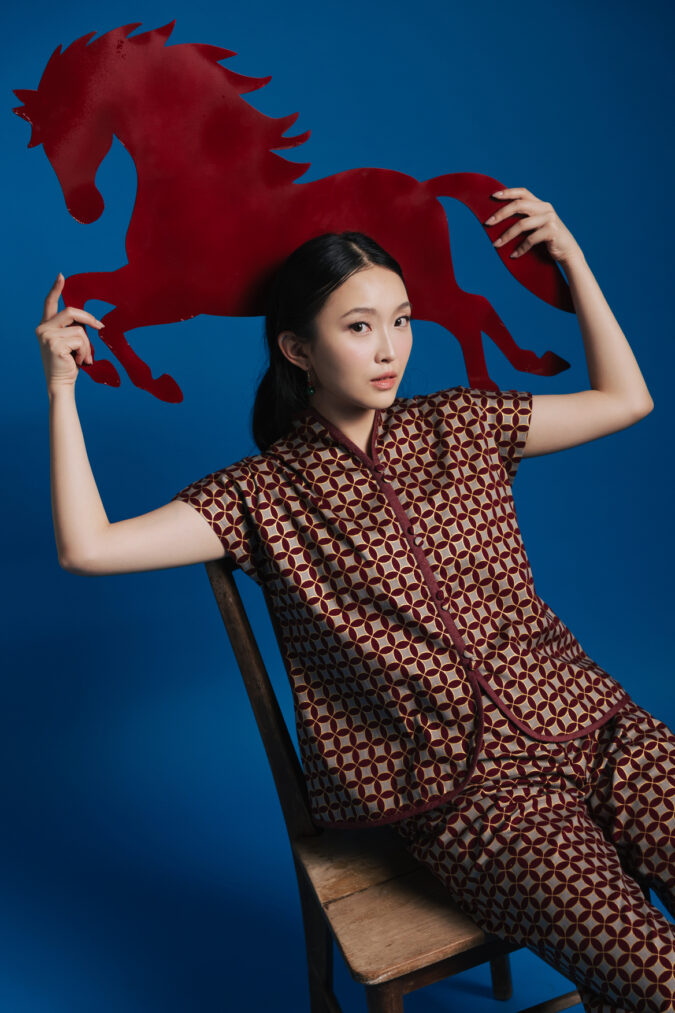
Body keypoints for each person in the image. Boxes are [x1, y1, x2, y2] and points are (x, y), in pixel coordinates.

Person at [37, 186, 674, 1011]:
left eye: (401, 320)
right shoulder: (260, 495)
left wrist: (571, 260)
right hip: (475, 799)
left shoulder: (463, 423)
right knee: (657, 978)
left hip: (596, 726)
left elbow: (626, 399)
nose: (390, 348)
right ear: (297, 349)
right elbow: (88, 547)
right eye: (359, 326)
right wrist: (61, 390)